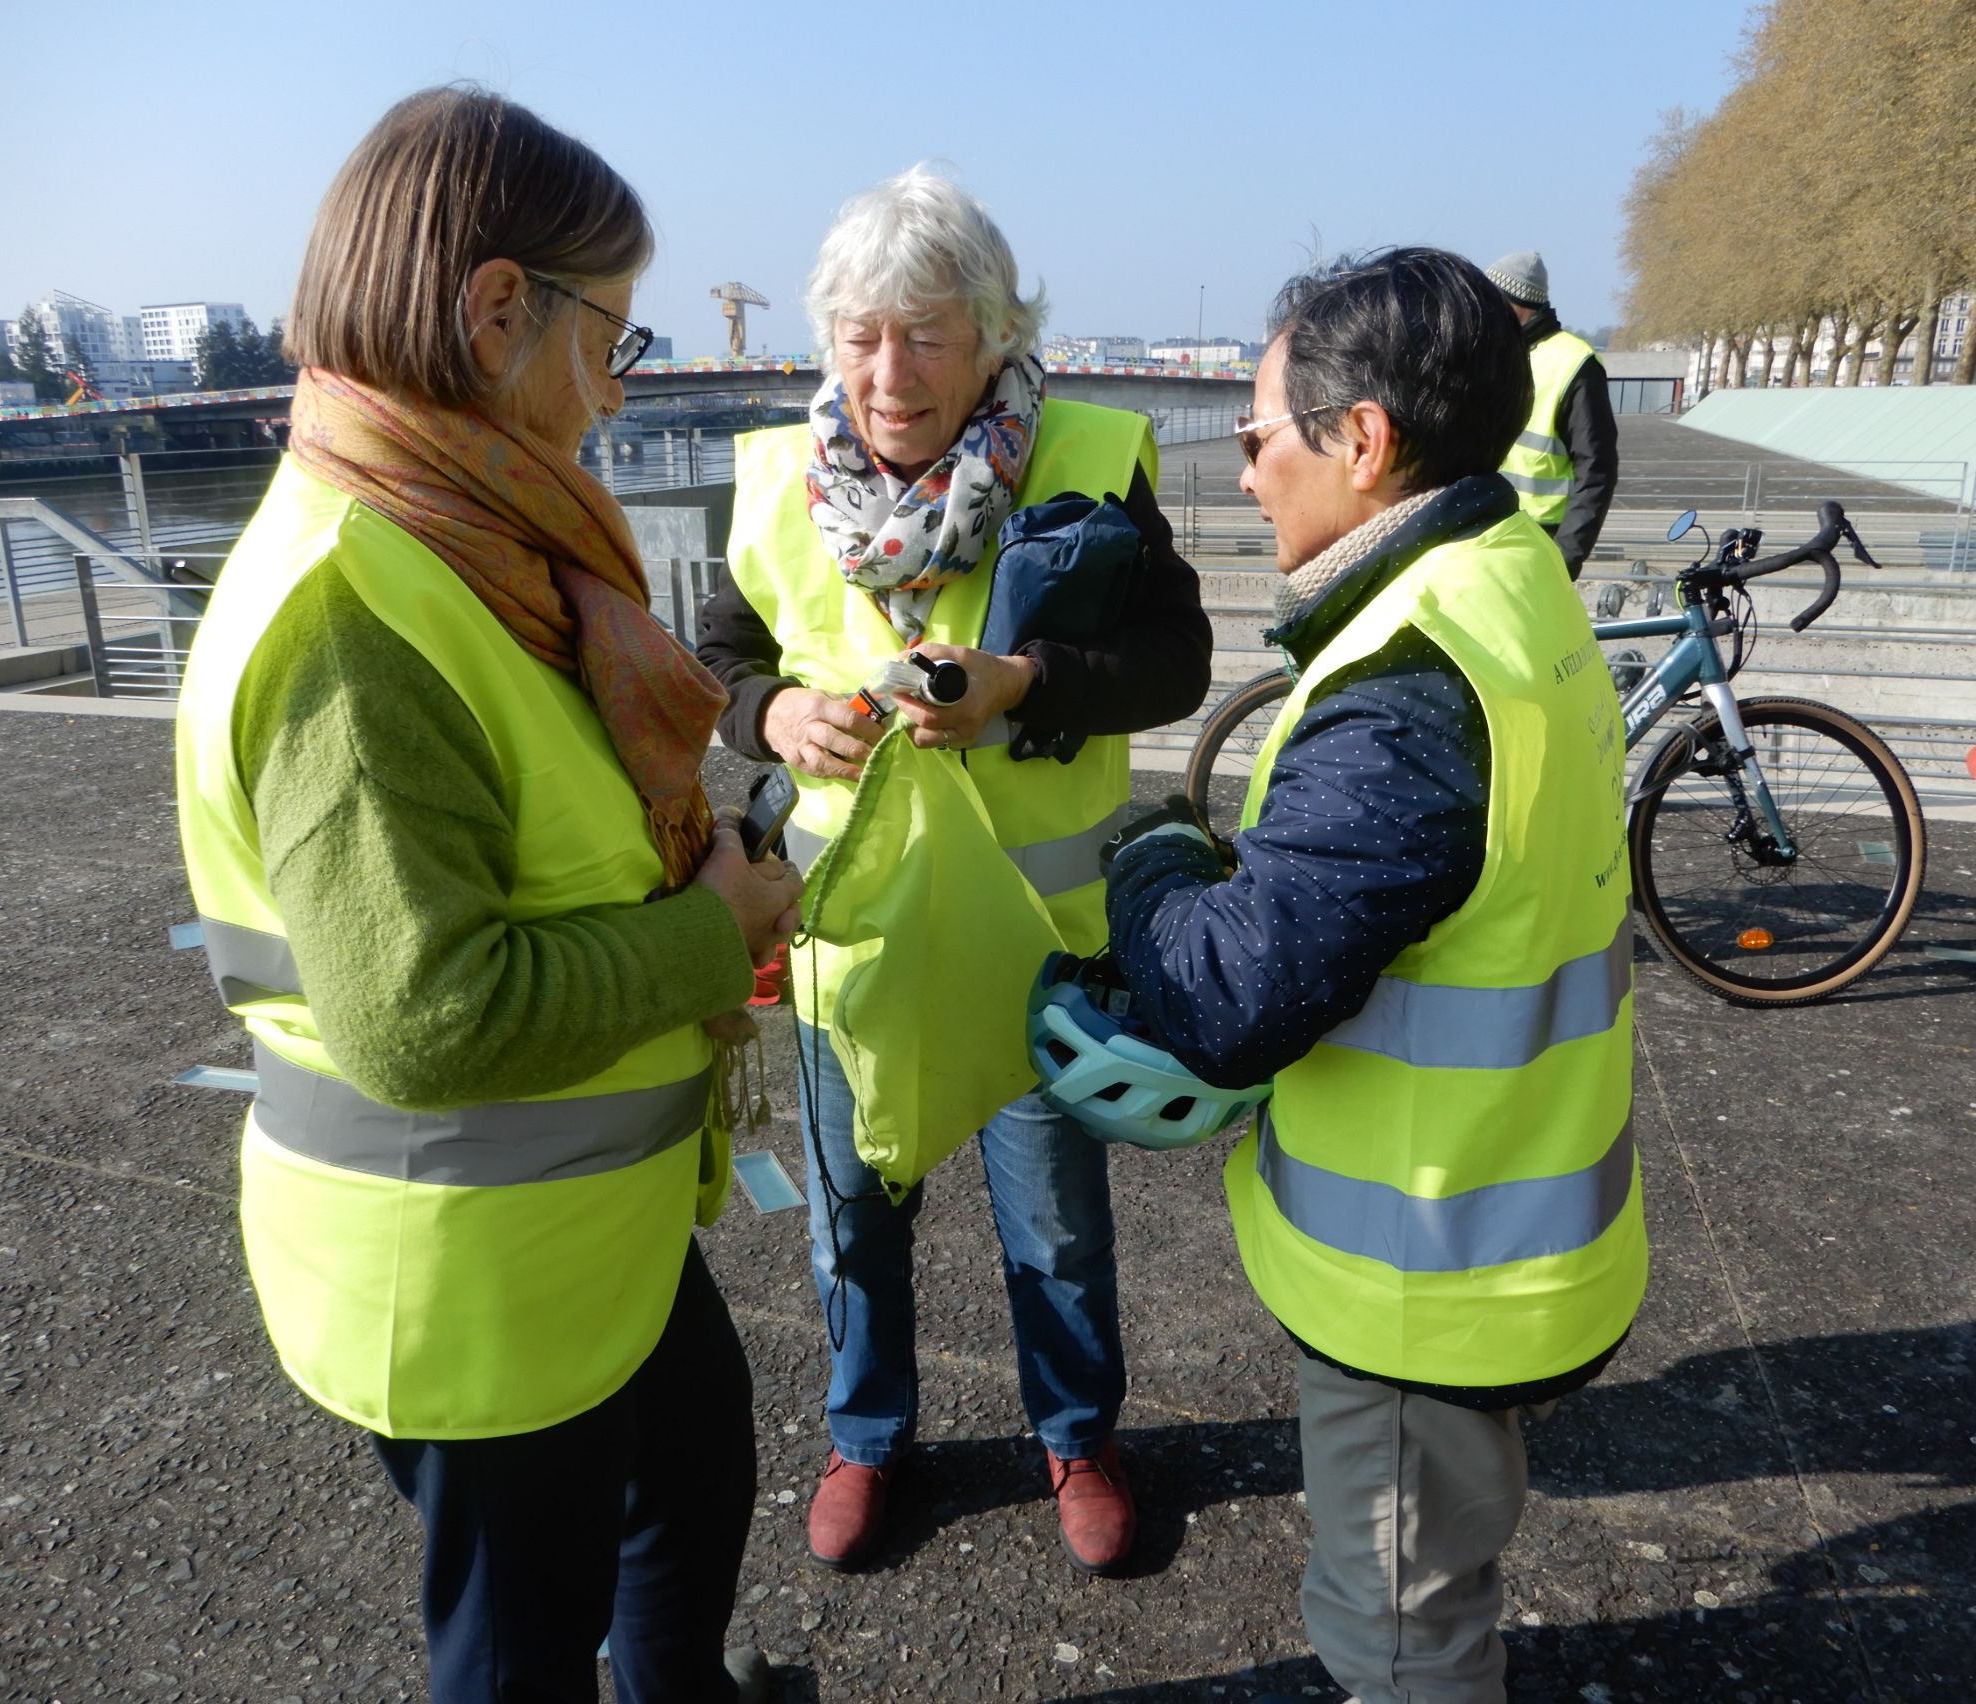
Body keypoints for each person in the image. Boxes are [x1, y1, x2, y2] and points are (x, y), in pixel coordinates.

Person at [173, 88, 802, 1704]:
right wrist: (711, 932)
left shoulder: (450, 537)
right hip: (471, 1275)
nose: (618, 386)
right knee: (519, 1647)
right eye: (613, 335)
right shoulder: (355, 611)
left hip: (572, 1229)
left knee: (693, 1476)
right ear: (499, 307)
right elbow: (426, 1015)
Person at [1099, 249, 1647, 1702]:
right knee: (1437, 1572)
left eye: (1255, 437)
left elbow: (1228, 998)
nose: (1244, 474)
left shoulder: (1409, 687)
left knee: (1400, 1631)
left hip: (1426, 1275)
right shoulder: (1514, 583)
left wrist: (1155, 858)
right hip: (1522, 1215)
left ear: (1361, 439)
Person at [696, 166, 1212, 1575]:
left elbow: (1178, 659)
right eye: (861, 335)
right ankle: (867, 1438)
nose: (888, 373)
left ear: (995, 336)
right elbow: (717, 657)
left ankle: (1078, 1437)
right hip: (845, 945)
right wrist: (772, 716)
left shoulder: (1092, 454)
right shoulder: (775, 481)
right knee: (850, 1222)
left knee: (1055, 1228)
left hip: (1032, 942)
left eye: (926, 335)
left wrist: (1025, 682)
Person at [1483, 249, 1618, 578]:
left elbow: (1596, 470)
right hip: (1484, 537)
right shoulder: (1492, 353)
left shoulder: (1575, 364)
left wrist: (1564, 560)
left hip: (1539, 543)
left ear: (1513, 304)